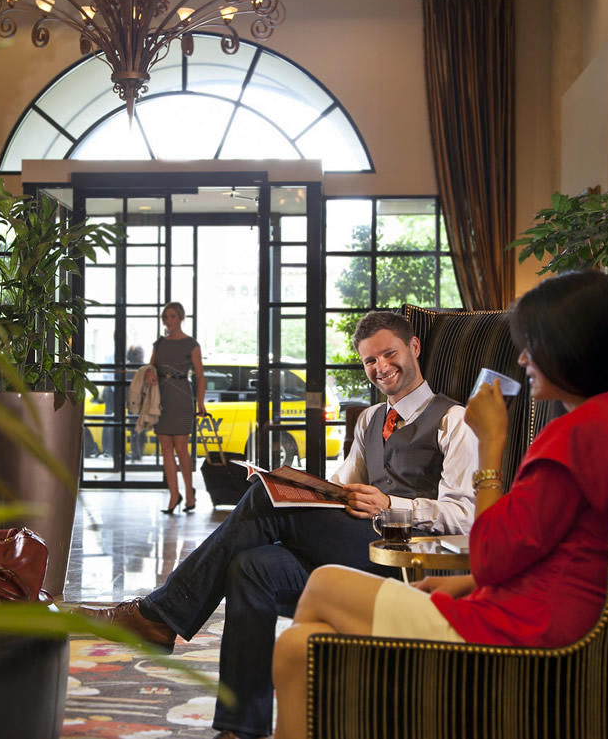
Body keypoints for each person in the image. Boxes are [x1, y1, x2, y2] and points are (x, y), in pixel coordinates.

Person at [79, 310, 479, 739]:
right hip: (352, 551)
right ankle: (241, 727)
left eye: (389, 354)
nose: (380, 368)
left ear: (414, 348)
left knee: (261, 503)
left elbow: (465, 516)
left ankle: (159, 617)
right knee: (251, 566)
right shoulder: (368, 421)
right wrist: (295, 486)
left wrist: (391, 504)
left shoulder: (456, 421)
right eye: (369, 361)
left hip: (404, 558)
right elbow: (340, 488)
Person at [271, 270, 608, 739]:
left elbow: (489, 548)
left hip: (524, 633)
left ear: (572, 347)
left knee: (322, 584)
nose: (523, 359)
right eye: (369, 361)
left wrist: (491, 443)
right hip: (538, 612)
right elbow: (541, 548)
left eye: (534, 344)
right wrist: (460, 582)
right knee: (298, 647)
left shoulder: (570, 436)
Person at [146, 302, 208, 514]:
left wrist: (200, 402)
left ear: (180, 318)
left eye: (172, 316)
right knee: (165, 449)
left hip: (181, 396)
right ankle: (174, 495)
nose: (168, 321)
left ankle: (189, 494)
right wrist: (150, 373)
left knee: (181, 449)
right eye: (165, 317)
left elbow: (200, 376)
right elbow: (149, 367)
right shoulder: (159, 344)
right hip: (161, 397)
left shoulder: (191, 344)